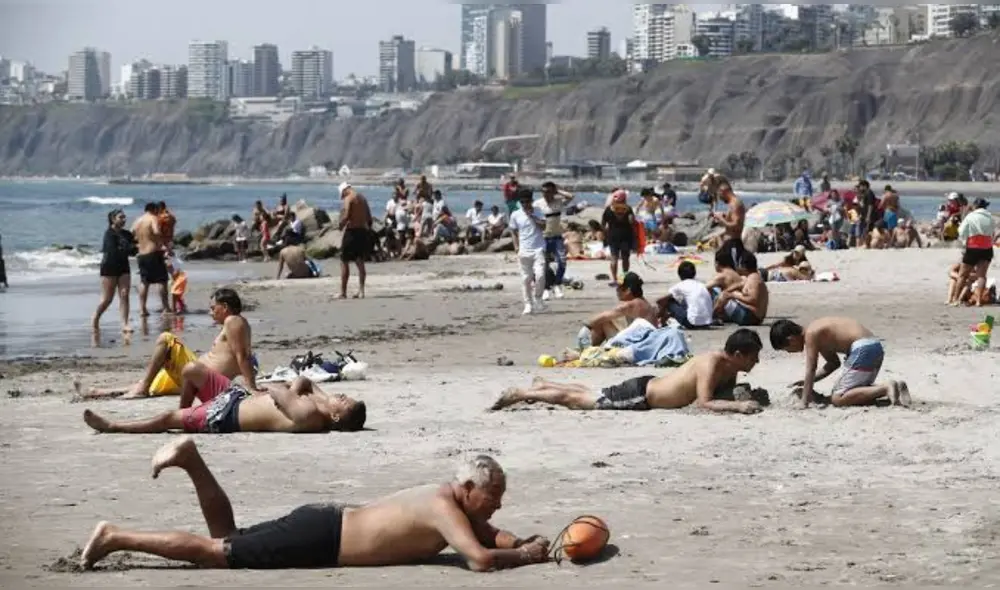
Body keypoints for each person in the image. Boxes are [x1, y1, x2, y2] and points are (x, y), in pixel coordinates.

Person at [79, 443, 551, 572]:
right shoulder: (442, 506)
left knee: (229, 536)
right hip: (322, 538)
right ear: (469, 488)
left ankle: (192, 460)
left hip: (324, 523)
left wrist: (522, 541)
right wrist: (524, 557)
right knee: (212, 553)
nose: (498, 505)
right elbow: (481, 559)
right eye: (494, 498)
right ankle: (117, 536)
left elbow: (491, 538)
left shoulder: (455, 504)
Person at [490, 328, 766, 414]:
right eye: (754, 357)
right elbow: (704, 402)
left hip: (647, 387)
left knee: (592, 393)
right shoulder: (713, 363)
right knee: (580, 401)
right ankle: (524, 393)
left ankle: (543, 382)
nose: (756, 362)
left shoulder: (730, 367)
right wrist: (739, 408)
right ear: (738, 354)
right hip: (642, 396)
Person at [78, 288, 261, 400]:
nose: (210, 312)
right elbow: (239, 360)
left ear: (225, 307)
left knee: (166, 339)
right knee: (150, 384)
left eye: (213, 308)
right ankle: (98, 391)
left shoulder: (234, 321)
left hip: (203, 380)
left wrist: (251, 387)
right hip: (196, 378)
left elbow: (242, 356)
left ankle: (140, 389)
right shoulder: (235, 324)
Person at [82, 375, 366, 434]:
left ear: (338, 419)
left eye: (345, 402)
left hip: (227, 414)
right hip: (238, 398)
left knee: (169, 417)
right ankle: (188, 413)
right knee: (193, 370)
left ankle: (114, 426)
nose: (341, 397)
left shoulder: (309, 414)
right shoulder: (317, 406)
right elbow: (304, 381)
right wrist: (320, 395)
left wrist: (289, 390)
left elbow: (278, 388)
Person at [770, 317, 911, 408]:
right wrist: (806, 382)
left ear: (791, 339)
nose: (790, 352)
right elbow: (833, 363)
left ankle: (885, 388)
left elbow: (811, 368)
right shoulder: (818, 332)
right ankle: (896, 387)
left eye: (787, 349)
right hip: (874, 347)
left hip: (862, 349)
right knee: (854, 396)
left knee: (838, 398)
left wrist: (804, 402)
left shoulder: (811, 334)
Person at [578, 272, 657, 347]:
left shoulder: (631, 305)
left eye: (619, 288)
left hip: (639, 344)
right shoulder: (644, 303)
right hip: (645, 342)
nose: (617, 290)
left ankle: (585, 351)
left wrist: (585, 328)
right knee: (613, 320)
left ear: (628, 290)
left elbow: (601, 317)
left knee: (603, 322)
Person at [92, 209, 136, 333]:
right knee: (107, 299)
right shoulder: (109, 234)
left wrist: (134, 246)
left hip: (123, 266)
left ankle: (125, 324)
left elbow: (133, 250)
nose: (123, 220)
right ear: (113, 219)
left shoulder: (127, 234)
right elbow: (113, 250)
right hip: (109, 267)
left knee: (124, 294)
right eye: (120, 217)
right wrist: (129, 247)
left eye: (124, 217)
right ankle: (96, 317)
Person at [948, 198, 995, 307]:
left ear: (975, 206)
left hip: (973, 246)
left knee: (963, 275)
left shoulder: (971, 216)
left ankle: (955, 300)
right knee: (982, 276)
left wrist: (966, 239)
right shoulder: (990, 217)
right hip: (987, 247)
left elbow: (961, 231)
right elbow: (992, 231)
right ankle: (978, 301)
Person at [508, 188, 547, 315]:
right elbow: (513, 231)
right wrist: (516, 246)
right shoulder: (515, 214)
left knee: (540, 275)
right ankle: (528, 304)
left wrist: (532, 216)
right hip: (524, 250)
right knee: (526, 279)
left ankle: (538, 297)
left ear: (532, 201)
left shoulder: (539, 211)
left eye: (527, 202)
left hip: (538, 248)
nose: (525, 204)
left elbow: (543, 226)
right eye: (523, 202)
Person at [535, 182, 575, 299]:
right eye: (543, 191)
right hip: (543, 237)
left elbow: (571, 196)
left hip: (557, 236)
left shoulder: (558, 202)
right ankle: (547, 288)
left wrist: (558, 191)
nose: (545, 194)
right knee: (545, 264)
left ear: (553, 192)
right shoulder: (537, 204)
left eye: (548, 191)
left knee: (562, 261)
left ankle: (557, 284)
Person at [133, 202, 170, 317]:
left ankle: (142, 309)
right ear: (154, 210)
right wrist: (162, 243)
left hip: (141, 254)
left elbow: (131, 233)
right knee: (162, 281)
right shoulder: (153, 218)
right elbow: (156, 231)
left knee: (145, 282)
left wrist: (140, 241)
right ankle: (166, 307)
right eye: (158, 211)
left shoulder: (137, 221)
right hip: (153, 252)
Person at [337, 182, 373, 299]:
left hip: (351, 232)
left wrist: (341, 224)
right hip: (362, 232)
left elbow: (347, 215)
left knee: (344, 260)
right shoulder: (363, 198)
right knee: (360, 261)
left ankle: (343, 292)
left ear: (344, 190)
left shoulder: (349, 198)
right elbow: (369, 218)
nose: (343, 198)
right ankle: (361, 291)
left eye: (342, 195)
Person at [714, 253, 767, 326]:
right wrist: (727, 291)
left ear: (744, 267)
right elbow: (740, 284)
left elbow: (753, 299)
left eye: (738, 265)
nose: (737, 267)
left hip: (751, 317)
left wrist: (733, 295)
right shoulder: (750, 277)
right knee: (722, 293)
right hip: (752, 316)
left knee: (720, 295)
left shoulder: (754, 279)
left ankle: (711, 317)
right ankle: (718, 316)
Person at [657, 261, 714, 329]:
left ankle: (662, 322)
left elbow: (660, 300)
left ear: (679, 274)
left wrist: (661, 313)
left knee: (669, 301)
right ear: (694, 274)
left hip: (692, 323)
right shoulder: (701, 285)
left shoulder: (681, 285)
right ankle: (663, 320)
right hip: (707, 322)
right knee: (685, 301)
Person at [602, 189, 636, 287]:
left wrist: (605, 234)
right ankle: (624, 278)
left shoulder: (609, 209)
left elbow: (603, 224)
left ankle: (614, 279)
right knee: (625, 258)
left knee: (614, 258)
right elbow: (631, 222)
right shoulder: (628, 208)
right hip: (626, 235)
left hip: (613, 235)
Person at [713, 180, 747, 271]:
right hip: (728, 244)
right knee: (721, 269)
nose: (720, 198)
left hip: (733, 243)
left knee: (732, 271)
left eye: (719, 195)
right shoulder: (732, 204)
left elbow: (737, 226)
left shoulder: (736, 204)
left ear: (723, 191)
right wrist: (724, 217)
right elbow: (732, 221)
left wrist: (721, 219)